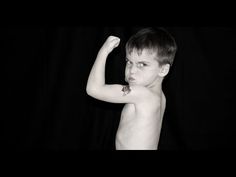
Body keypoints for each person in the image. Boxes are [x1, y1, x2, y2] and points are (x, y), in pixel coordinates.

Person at [86, 27, 177, 150]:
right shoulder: (160, 97)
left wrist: (103, 52)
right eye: (129, 62)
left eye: (142, 64)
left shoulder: (141, 94)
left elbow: (94, 89)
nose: (132, 70)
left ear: (163, 69)